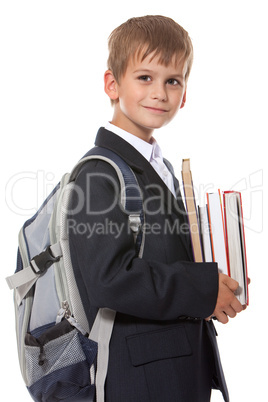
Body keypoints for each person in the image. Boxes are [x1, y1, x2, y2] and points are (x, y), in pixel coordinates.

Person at [69, 15, 246, 402]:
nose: (160, 93)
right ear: (112, 85)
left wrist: (216, 286)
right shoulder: (99, 172)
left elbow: (163, 258)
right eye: (145, 78)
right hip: (140, 381)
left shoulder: (160, 166)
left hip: (176, 370)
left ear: (184, 94)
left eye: (173, 81)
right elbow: (109, 279)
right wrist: (202, 290)